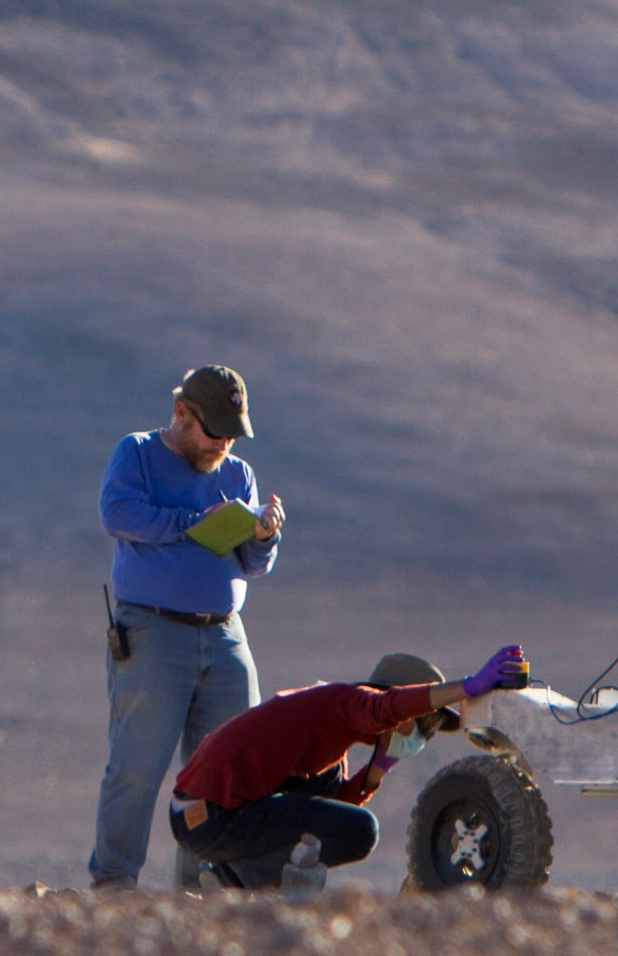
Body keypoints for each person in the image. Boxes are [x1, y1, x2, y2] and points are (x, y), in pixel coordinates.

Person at [88, 365, 283, 890]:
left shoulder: (238, 473)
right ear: (181, 413)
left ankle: (208, 887)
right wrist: (191, 524)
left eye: (231, 434)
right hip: (152, 632)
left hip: (224, 635)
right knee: (136, 766)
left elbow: (252, 563)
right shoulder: (137, 453)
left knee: (231, 770)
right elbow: (118, 513)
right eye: (213, 431)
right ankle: (113, 884)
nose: (222, 443)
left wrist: (263, 535)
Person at [166, 647, 532, 888]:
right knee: (363, 831)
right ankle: (234, 879)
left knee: (335, 801)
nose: (425, 735)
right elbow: (383, 708)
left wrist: (380, 766)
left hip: (204, 816)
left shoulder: (330, 741)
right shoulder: (342, 701)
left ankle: (226, 874)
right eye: (426, 723)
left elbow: (331, 813)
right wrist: (468, 687)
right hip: (208, 816)